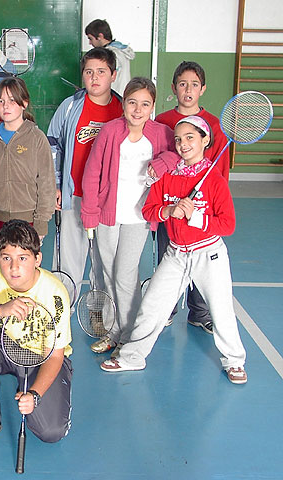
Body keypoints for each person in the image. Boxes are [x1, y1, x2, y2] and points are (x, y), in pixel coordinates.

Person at [100, 116, 248, 385]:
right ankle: (132, 357)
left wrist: (197, 218)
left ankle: (234, 360)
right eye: (178, 139)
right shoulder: (167, 176)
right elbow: (148, 209)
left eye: (190, 137)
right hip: (176, 254)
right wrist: (168, 210)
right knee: (152, 306)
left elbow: (228, 225)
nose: (183, 144)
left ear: (205, 140)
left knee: (221, 308)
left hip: (208, 253)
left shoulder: (213, 180)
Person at [0, 219, 73, 451]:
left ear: (38, 259)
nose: (14, 267)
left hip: (44, 357)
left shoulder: (54, 293)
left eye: (23, 258)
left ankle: (30, 387)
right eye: (6, 258)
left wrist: (35, 395)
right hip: (6, 346)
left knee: (51, 432)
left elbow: (55, 356)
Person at [81, 77, 178, 357]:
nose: (137, 109)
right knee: (109, 273)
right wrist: (90, 213)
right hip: (107, 215)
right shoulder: (111, 131)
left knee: (125, 274)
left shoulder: (162, 133)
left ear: (152, 107)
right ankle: (114, 332)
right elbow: (92, 173)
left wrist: (161, 163)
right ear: (123, 104)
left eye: (145, 104)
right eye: (132, 102)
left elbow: (179, 155)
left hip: (139, 216)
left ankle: (130, 335)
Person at [155, 61, 230, 333]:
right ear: (174, 88)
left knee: (202, 262)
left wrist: (211, 207)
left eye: (194, 84)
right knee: (168, 257)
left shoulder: (214, 126)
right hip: (171, 208)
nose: (188, 89)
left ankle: (199, 311)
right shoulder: (162, 122)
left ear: (203, 89)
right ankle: (168, 308)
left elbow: (220, 172)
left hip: (200, 211)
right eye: (183, 84)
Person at [47, 47, 123, 293]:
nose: (94, 77)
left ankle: (99, 311)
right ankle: (62, 311)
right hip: (74, 193)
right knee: (67, 260)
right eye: (89, 72)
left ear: (113, 75)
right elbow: (53, 144)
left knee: (105, 261)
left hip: (109, 199)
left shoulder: (123, 108)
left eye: (101, 71)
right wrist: (57, 185)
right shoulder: (70, 106)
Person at [0, 77, 55, 266]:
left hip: (27, 220)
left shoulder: (36, 137)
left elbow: (46, 183)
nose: (5, 106)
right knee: (0, 272)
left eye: (11, 100)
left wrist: (41, 222)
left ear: (24, 103)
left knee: (23, 274)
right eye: (1, 101)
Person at [85, 19, 135, 96]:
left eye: (90, 39)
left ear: (100, 36)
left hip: (114, 98)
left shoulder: (111, 54)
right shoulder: (121, 51)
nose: (90, 43)